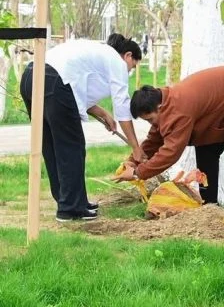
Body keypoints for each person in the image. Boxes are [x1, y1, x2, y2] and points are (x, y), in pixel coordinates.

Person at [121, 65, 224, 227]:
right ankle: (211, 210)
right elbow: (154, 139)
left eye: (150, 119)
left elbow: (171, 152)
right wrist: (133, 161)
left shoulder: (178, 108)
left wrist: (137, 173)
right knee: (206, 150)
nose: (151, 123)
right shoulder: (164, 102)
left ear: (159, 108)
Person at [19, 33, 144, 222]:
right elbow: (122, 108)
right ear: (128, 55)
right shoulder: (117, 62)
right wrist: (135, 147)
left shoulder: (96, 52)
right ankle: (70, 208)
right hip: (53, 80)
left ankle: (71, 201)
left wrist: (101, 112)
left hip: (31, 76)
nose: (129, 71)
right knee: (72, 146)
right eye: (132, 66)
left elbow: (75, 88)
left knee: (52, 144)